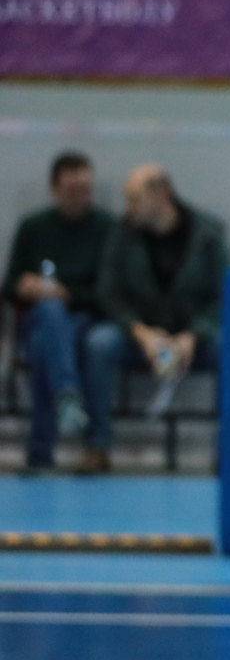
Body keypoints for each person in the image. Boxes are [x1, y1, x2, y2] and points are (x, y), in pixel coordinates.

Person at [93, 165, 229, 472]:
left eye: (134, 199)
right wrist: (142, 333)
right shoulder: (122, 234)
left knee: (229, 348)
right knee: (99, 344)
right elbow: (108, 293)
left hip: (193, 339)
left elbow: (223, 295)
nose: (127, 208)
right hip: (139, 337)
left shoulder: (207, 235)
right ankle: (97, 446)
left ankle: (226, 452)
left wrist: (194, 335)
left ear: (161, 195)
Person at [7, 150, 120, 473]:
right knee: (49, 316)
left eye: (85, 189)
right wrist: (26, 286)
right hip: (40, 316)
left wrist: (67, 293)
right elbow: (10, 284)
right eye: (72, 189)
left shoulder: (108, 228)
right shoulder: (33, 227)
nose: (80, 196)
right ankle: (67, 394)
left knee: (46, 342)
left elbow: (110, 292)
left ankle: (41, 449)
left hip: (87, 318)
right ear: (54, 188)